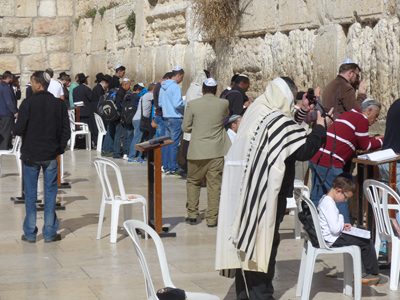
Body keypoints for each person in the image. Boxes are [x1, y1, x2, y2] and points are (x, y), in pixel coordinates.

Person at [216, 77, 333, 300]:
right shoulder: (275, 119)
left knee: (246, 240)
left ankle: (244, 293)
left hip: (245, 187)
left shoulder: (257, 108)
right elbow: (304, 150)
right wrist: (320, 127)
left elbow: (286, 126)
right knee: (264, 242)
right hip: (265, 193)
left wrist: (302, 111)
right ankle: (261, 295)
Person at [14, 70, 70, 243]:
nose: (30, 85)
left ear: (38, 84)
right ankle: (49, 233)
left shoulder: (28, 103)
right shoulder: (58, 104)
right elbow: (66, 131)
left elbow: (18, 130)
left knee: (30, 194)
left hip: (31, 155)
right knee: (50, 193)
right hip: (50, 155)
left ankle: (30, 233)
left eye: (31, 82)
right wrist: (58, 149)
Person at [309, 98, 383, 223]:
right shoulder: (361, 119)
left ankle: (314, 230)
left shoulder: (349, 114)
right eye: (376, 115)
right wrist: (383, 140)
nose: (376, 119)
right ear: (369, 111)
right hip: (330, 163)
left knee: (318, 197)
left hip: (316, 157)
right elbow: (366, 146)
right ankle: (344, 233)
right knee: (342, 196)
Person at [317, 173, 388, 286]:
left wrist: (341, 224)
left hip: (330, 237)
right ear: (338, 190)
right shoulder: (329, 204)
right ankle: (371, 274)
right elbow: (335, 229)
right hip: (332, 239)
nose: (345, 200)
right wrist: (341, 220)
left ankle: (365, 273)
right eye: (346, 197)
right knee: (366, 242)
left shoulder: (324, 199)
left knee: (362, 240)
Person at [182, 78, 231, 227]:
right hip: (216, 151)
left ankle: (192, 215)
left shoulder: (193, 104)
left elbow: (185, 127)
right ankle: (212, 219)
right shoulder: (223, 103)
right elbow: (224, 116)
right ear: (216, 90)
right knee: (214, 185)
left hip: (197, 151)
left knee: (193, 182)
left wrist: (197, 128)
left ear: (202, 90)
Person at [159, 66, 185, 175]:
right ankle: (173, 167)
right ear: (178, 75)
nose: (182, 80)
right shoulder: (175, 87)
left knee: (167, 143)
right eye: (182, 77)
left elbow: (160, 103)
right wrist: (186, 102)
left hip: (166, 117)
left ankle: (166, 166)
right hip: (175, 118)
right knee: (174, 143)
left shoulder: (162, 87)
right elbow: (177, 104)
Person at [129, 83, 156, 162]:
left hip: (140, 119)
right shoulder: (149, 95)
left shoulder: (145, 95)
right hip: (139, 120)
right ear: (154, 90)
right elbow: (159, 98)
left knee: (143, 138)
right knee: (137, 139)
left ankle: (139, 156)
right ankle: (131, 156)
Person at [153, 72, 172, 170]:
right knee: (163, 141)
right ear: (168, 78)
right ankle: (162, 163)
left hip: (158, 115)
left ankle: (160, 163)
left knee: (160, 141)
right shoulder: (161, 87)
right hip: (161, 115)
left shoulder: (157, 86)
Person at [111, 78, 131, 158]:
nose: (130, 87)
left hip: (120, 116)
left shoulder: (121, 91)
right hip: (120, 117)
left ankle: (117, 151)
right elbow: (119, 105)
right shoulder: (121, 92)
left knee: (119, 135)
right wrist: (122, 116)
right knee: (119, 135)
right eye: (129, 85)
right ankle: (116, 153)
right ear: (125, 84)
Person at [73, 73, 93, 148]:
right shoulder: (86, 89)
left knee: (79, 129)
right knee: (87, 128)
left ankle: (79, 143)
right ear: (85, 80)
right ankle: (86, 144)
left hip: (78, 112)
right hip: (86, 112)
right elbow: (91, 98)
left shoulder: (75, 90)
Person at [0, 71, 18, 150]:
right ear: (8, 78)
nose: (12, 80)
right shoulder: (6, 87)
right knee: (6, 131)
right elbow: (9, 101)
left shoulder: (2, 86)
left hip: (3, 112)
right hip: (7, 113)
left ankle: (7, 145)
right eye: (11, 78)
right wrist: (14, 112)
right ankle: (3, 147)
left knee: (6, 130)